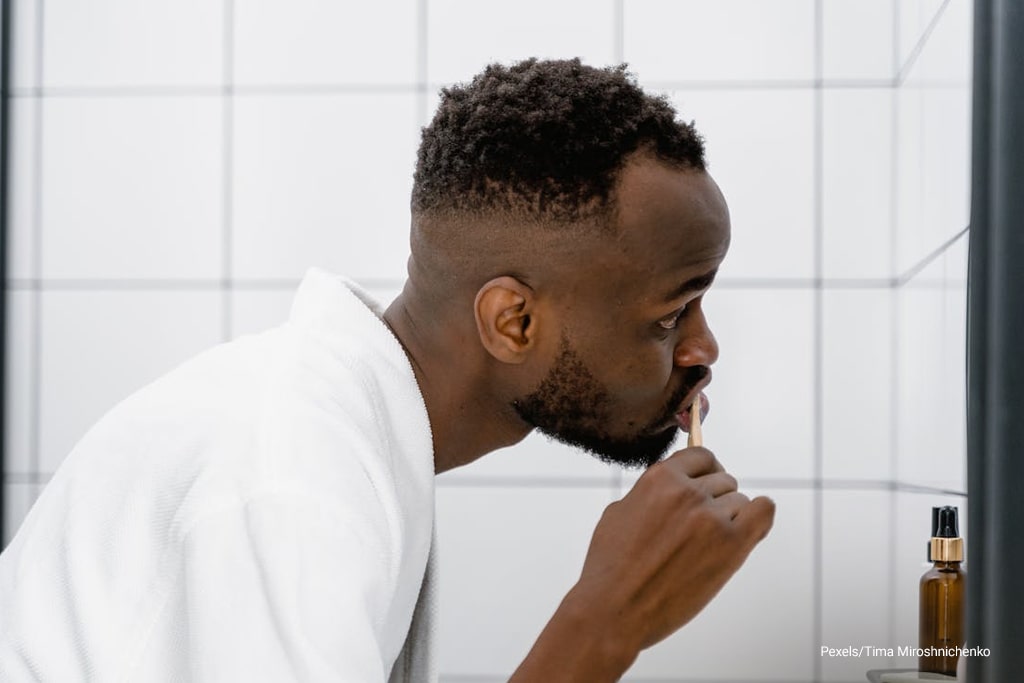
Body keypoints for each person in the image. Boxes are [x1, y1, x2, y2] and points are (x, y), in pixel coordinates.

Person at [0, 58, 775, 681]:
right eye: (673, 314)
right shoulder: (290, 483)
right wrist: (605, 621)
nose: (703, 348)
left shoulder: (342, 435)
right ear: (515, 322)